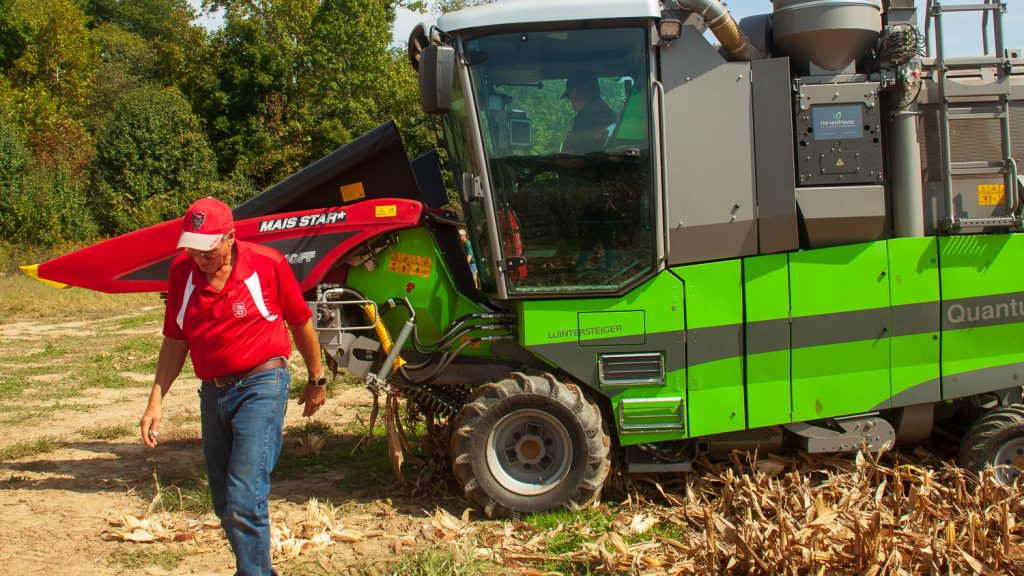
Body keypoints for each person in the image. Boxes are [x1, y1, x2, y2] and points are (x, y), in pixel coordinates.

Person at [139, 197, 326, 576]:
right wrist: (155, 401)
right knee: (225, 503)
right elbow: (176, 341)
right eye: (193, 248)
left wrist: (316, 378)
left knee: (245, 497)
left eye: (208, 248)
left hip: (263, 382)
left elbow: (300, 321)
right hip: (214, 391)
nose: (201, 256)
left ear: (230, 237)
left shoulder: (267, 265)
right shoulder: (182, 274)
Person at [561, 73, 616, 155]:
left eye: (569, 96)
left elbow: (572, 154)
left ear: (576, 92)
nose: (570, 101)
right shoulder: (606, 116)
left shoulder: (589, 120)